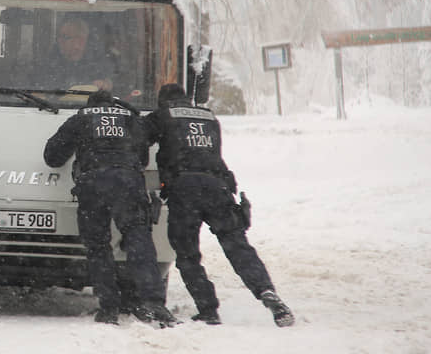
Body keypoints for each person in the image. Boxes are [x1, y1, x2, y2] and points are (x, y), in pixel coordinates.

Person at [144, 83, 294, 327]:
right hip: (218, 187)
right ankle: (266, 291)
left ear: (163, 101)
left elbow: (138, 139)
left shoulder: (163, 114)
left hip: (185, 189)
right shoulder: (209, 117)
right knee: (237, 246)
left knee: (187, 254)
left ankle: (208, 309)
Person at [43, 89, 178, 326]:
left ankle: (108, 307)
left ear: (91, 104)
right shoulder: (131, 119)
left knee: (98, 246)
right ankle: (154, 302)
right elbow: (143, 159)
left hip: (92, 184)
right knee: (139, 240)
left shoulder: (81, 117)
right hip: (128, 183)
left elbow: (52, 156)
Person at [35, 17, 113, 91]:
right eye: (61, 37)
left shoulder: (99, 62)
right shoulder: (49, 64)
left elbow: (117, 83)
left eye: (66, 37)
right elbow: (42, 88)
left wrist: (107, 84)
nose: (60, 40)